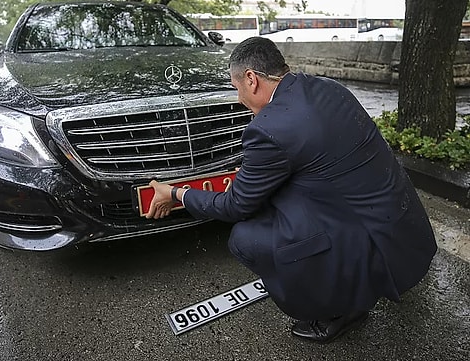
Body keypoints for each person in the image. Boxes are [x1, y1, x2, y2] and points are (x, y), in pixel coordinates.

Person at [146, 36, 437, 343]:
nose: (238, 97)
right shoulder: (329, 88)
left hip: (368, 243)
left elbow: (235, 206)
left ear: (251, 79)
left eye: (237, 88)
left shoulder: (268, 128)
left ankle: (339, 308)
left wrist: (177, 193)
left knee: (246, 238)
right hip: (403, 227)